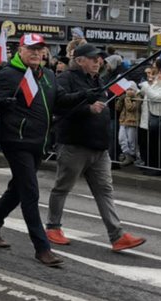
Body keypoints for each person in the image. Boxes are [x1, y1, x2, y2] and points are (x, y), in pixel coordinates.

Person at [44, 44, 146, 251]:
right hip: (75, 144)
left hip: (99, 147)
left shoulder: (97, 79)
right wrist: (87, 108)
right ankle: (53, 227)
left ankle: (117, 236)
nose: (98, 62)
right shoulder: (66, 78)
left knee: (105, 191)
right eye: (93, 59)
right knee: (63, 187)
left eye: (99, 59)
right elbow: (59, 105)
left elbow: (102, 100)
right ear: (80, 60)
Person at [0, 34, 62, 266]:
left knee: (17, 189)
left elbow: (60, 100)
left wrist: (85, 99)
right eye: (31, 49)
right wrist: (2, 102)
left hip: (38, 142)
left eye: (40, 50)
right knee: (30, 192)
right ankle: (42, 248)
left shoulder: (47, 75)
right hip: (16, 141)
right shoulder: (8, 74)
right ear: (20, 50)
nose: (36, 53)